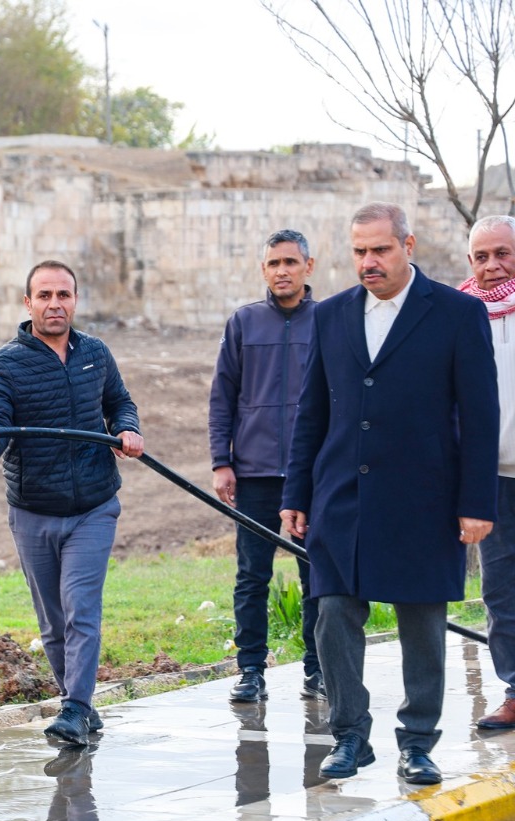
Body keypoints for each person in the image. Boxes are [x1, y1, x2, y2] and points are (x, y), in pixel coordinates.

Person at [280, 202, 498, 784]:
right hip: (341, 494)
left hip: (425, 496)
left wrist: (477, 502)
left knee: (421, 622)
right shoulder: (330, 315)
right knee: (331, 614)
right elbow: (312, 413)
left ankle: (418, 741)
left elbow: (481, 414)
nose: (368, 262)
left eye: (380, 249)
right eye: (359, 251)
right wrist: (294, 493)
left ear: (409, 245)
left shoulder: (457, 313)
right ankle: (350, 735)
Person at [0, 261, 143, 748]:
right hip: (33, 511)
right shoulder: (3, 364)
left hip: (93, 505)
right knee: (52, 621)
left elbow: (120, 402)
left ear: (75, 300)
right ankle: (80, 701)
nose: (54, 304)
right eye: (44, 295)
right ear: (28, 304)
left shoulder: (96, 354)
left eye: (63, 294)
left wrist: (127, 429)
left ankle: (75, 709)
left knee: (79, 606)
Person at [209, 230, 324, 703]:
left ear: (308, 267)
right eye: (274, 263)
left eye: (291, 262)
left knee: (316, 576)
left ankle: (318, 669)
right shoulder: (244, 323)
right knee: (251, 575)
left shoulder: (330, 320)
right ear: (263, 270)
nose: (282, 271)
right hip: (254, 473)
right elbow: (223, 396)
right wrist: (222, 461)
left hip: (313, 474)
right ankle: (251, 671)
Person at [461, 216, 515, 730]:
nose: (492, 266)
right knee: (499, 590)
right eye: (481, 256)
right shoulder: (460, 314)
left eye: (503, 253)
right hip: (489, 476)